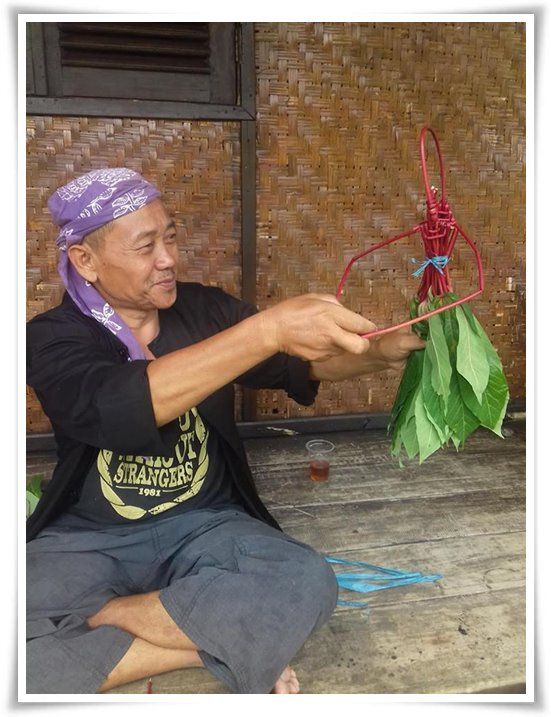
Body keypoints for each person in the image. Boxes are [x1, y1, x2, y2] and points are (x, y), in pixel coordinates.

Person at [26, 168, 425, 695]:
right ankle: (204, 647)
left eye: (169, 236)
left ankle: (116, 618)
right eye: (146, 246)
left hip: (207, 527)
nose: (168, 258)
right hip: (91, 538)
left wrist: (381, 351)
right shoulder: (52, 339)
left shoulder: (207, 310)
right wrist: (265, 329)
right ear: (85, 260)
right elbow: (122, 408)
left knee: (304, 581)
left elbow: (299, 364)